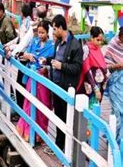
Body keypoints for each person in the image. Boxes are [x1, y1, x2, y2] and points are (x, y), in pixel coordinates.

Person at [43, 14, 83, 150]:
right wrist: (47, 60)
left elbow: (77, 68)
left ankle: (66, 148)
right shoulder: (58, 43)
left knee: (67, 118)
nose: (53, 32)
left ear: (61, 28)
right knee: (58, 116)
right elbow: (56, 58)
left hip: (67, 87)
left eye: (54, 29)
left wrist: (62, 66)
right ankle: (58, 145)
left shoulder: (75, 45)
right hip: (56, 85)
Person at [16, 20, 55, 142]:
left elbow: (52, 63)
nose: (41, 35)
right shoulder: (34, 42)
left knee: (43, 105)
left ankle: (40, 135)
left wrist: (46, 68)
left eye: (43, 32)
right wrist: (27, 56)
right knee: (29, 103)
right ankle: (27, 131)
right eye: (39, 32)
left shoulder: (52, 46)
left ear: (47, 32)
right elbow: (23, 54)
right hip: (32, 77)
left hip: (43, 80)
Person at [77, 26, 107, 104]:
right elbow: (87, 69)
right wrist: (95, 88)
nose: (100, 42)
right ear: (91, 37)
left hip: (99, 85)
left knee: (96, 108)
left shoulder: (99, 50)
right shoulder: (86, 49)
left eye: (101, 40)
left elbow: (103, 66)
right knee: (89, 109)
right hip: (90, 85)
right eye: (98, 40)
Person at [104, 27, 123, 141]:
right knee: (118, 112)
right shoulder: (113, 45)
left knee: (118, 112)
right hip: (115, 82)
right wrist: (117, 66)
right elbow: (105, 66)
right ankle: (115, 141)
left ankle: (115, 138)